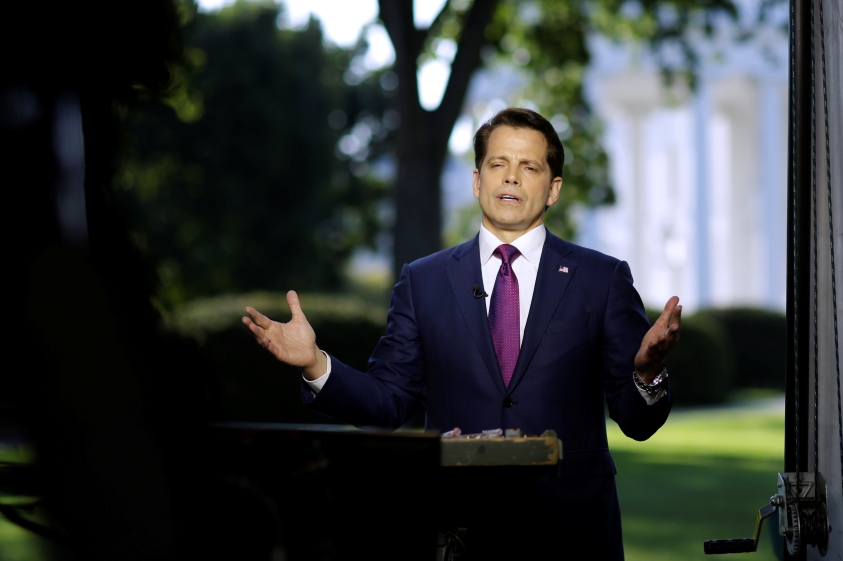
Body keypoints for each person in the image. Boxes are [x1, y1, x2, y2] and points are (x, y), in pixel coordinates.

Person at [242, 108, 682, 559]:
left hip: (572, 531)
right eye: (498, 165)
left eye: (529, 167)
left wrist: (646, 371)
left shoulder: (601, 278)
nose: (511, 178)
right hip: (459, 533)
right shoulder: (423, 281)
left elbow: (636, 421)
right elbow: (389, 402)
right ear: (477, 182)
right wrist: (317, 365)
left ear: (553, 189)